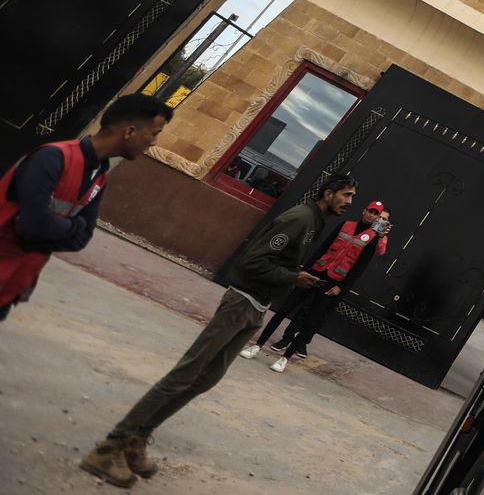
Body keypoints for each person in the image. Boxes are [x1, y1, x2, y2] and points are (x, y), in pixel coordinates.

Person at [80, 175, 356, 487]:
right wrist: (293, 278)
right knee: (184, 375)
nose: (349, 203)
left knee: (206, 378)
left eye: (352, 197)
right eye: (346, 195)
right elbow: (252, 262)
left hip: (256, 308)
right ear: (328, 193)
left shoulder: (315, 222)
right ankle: (109, 448)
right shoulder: (299, 218)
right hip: (240, 302)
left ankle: (136, 440)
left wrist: (292, 277)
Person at [0, 95, 171, 322]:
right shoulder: (54, 157)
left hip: (11, 284)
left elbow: (81, 239)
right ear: (129, 131)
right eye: (154, 133)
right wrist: (72, 226)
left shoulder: (99, 177)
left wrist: (54, 229)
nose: (153, 142)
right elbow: (34, 226)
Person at [242, 198, 392, 371]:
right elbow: (324, 247)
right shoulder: (346, 225)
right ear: (364, 211)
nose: (371, 215)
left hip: (333, 282)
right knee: (284, 309)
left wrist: (341, 288)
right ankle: (257, 345)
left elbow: (359, 268)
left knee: (311, 321)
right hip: (315, 272)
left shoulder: (373, 239)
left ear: (379, 218)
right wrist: (305, 268)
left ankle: (285, 358)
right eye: (370, 211)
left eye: (376, 214)